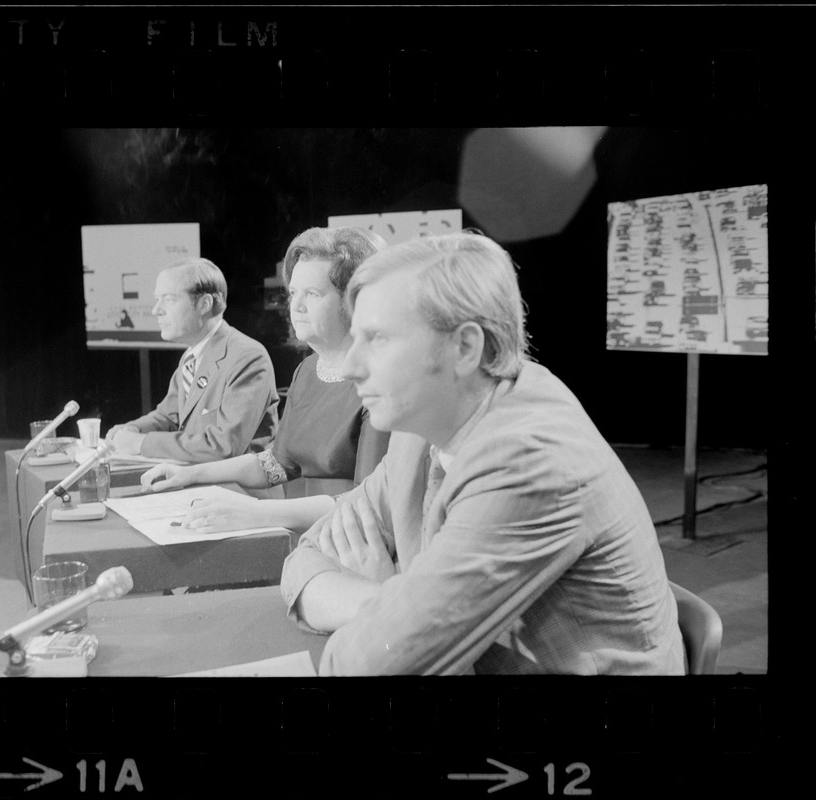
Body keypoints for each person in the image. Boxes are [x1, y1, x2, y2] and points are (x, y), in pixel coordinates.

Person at [280, 231, 686, 676]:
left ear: (466, 348)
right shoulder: (423, 426)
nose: (353, 366)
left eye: (376, 339)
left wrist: (391, 601)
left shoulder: (528, 460)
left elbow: (365, 664)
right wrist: (388, 601)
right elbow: (305, 558)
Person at [139, 227, 391, 535]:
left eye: (312, 294)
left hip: (352, 543)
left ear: (355, 300)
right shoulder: (309, 369)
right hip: (301, 534)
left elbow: (369, 504)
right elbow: (275, 464)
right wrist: (189, 475)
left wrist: (257, 512)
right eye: (293, 293)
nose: (295, 306)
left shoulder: (383, 380)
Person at [106, 258, 279, 464]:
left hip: (238, 490)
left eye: (168, 299)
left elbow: (224, 446)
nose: (156, 310)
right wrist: (132, 429)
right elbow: (169, 417)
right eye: (157, 299)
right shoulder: (191, 358)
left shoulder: (248, 357)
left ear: (204, 304)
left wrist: (141, 443)